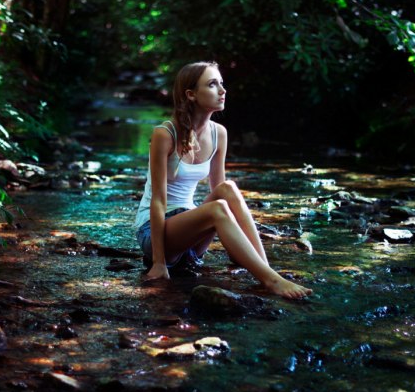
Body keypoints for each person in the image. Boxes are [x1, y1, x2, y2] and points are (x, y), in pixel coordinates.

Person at [133, 61, 312, 299]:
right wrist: (158, 262)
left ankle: (266, 270)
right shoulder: (165, 134)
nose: (222, 90)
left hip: (191, 230)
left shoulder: (219, 133)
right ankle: (271, 280)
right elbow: (158, 201)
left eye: (221, 83)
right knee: (217, 208)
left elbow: (221, 193)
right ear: (191, 94)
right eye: (212, 84)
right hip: (155, 233)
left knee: (228, 188)